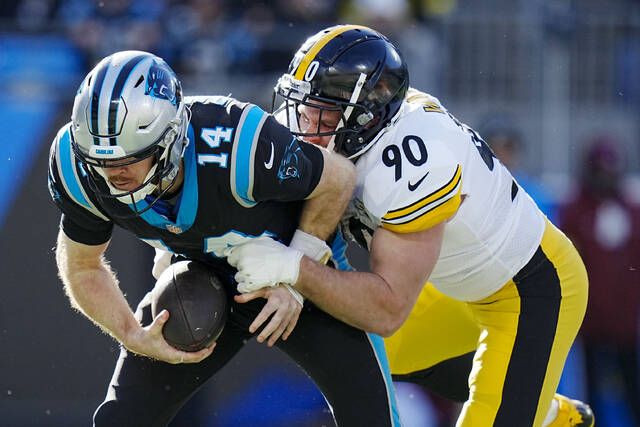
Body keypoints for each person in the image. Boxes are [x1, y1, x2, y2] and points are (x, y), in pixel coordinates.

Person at [229, 25, 594, 427]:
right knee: (367, 354)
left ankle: (547, 412)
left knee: (380, 329)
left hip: (530, 288)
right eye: (302, 105)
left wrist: (295, 268)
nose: (304, 121)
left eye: (323, 110)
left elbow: (387, 309)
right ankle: (535, 406)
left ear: (367, 115)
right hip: (453, 285)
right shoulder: (364, 132)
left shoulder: (413, 160)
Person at [47, 50, 400, 427]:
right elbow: (82, 266)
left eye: (129, 159)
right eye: (100, 162)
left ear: (170, 139)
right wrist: (131, 333)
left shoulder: (236, 142)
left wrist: (299, 269)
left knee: (371, 418)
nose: (114, 174)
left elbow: (339, 177)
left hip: (291, 273)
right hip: (199, 284)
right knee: (123, 419)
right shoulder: (76, 166)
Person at [560, 137, 640, 425]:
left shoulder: (631, 210)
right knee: (591, 393)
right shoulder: (575, 210)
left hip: (626, 324)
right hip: (590, 322)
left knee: (632, 390)